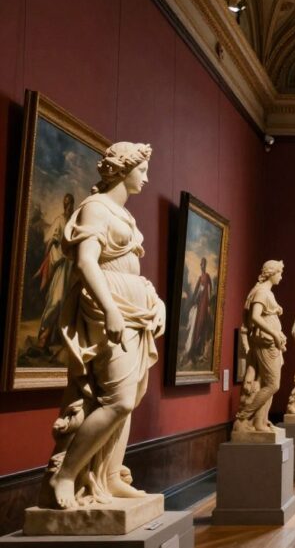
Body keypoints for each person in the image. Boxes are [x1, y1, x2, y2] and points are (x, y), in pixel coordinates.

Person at [42, 142, 165, 509]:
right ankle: (64, 476)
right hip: (108, 308)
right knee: (119, 399)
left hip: (134, 310)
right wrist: (110, 308)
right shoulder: (96, 208)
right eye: (142, 169)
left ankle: (108, 478)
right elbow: (86, 262)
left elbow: (130, 268)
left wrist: (154, 301)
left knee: (130, 397)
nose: (146, 176)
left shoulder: (123, 214)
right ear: (123, 170)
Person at [235, 260, 287, 434]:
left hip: (271, 343)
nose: (281, 276)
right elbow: (256, 317)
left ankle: (260, 422)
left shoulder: (265, 292)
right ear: (271, 273)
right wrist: (273, 333)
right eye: (280, 272)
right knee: (273, 384)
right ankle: (243, 416)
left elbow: (264, 314)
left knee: (266, 383)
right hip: (266, 343)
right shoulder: (262, 292)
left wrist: (275, 311)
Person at [34, 192, 75, 349]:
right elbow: (51, 240)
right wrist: (51, 249)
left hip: (73, 266)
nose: (67, 207)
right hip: (62, 266)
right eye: (65, 204)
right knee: (56, 300)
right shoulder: (60, 220)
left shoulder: (75, 221)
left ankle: (55, 338)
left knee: (68, 302)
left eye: (70, 203)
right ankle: (43, 336)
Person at [184, 256, 214, 367]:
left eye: (204, 264)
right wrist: (194, 300)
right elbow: (197, 290)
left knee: (202, 325)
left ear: (205, 265)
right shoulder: (199, 277)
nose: (202, 266)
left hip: (204, 305)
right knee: (196, 326)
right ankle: (194, 351)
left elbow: (209, 291)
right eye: (201, 264)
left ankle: (199, 351)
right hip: (199, 303)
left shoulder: (207, 276)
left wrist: (208, 305)